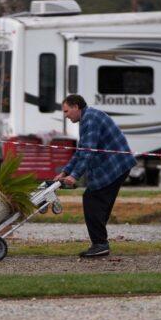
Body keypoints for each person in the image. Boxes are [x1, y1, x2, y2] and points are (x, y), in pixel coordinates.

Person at [54, 94, 136, 258]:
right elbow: (80, 151)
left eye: (66, 111)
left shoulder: (90, 119)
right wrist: (65, 172)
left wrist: (75, 176)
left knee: (91, 200)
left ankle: (100, 244)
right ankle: (100, 242)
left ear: (76, 107)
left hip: (115, 166)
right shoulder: (87, 118)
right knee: (98, 204)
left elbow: (88, 152)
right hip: (115, 166)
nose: (65, 115)